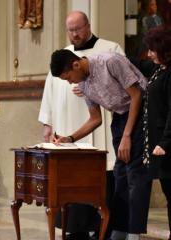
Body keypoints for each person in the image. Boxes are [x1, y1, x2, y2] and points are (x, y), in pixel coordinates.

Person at [38, 11, 124, 239]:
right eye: (70, 30)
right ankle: (73, 229)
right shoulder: (62, 56)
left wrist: (91, 89)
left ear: (88, 25)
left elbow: (125, 87)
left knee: (100, 179)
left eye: (78, 29)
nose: (74, 34)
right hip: (68, 127)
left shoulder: (110, 49)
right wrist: (47, 122)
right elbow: (49, 90)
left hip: (98, 128)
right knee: (70, 180)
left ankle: (100, 229)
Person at [50, 49, 151, 240]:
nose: (70, 82)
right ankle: (119, 231)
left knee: (135, 176)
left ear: (76, 64)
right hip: (120, 118)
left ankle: (134, 234)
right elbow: (95, 119)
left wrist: (127, 136)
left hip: (141, 112)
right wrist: (70, 138)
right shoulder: (84, 83)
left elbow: (137, 95)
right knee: (120, 175)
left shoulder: (110, 61)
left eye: (68, 77)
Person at [132, 26, 171, 240]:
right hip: (160, 147)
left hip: (167, 147)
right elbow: (140, 64)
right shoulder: (159, 69)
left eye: (152, 49)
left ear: (163, 49)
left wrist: (165, 142)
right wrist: (114, 55)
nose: (149, 54)